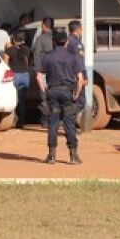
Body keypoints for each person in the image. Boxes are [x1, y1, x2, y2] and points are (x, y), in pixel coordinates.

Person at [37, 31, 83, 165]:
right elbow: (80, 78)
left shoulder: (47, 57)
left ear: (53, 42)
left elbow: (39, 76)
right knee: (69, 124)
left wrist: (44, 90)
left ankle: (51, 155)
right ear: (66, 42)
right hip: (67, 92)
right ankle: (73, 155)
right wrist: (76, 93)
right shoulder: (73, 57)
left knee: (53, 123)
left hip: (53, 91)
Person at [3, 31, 33, 126]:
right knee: (22, 100)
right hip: (25, 75)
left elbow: (5, 65)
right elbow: (29, 63)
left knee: (13, 100)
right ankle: (22, 121)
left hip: (14, 75)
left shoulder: (9, 50)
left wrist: (6, 49)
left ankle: (13, 120)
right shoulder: (28, 49)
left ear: (13, 39)